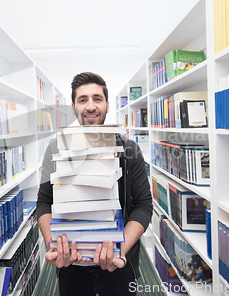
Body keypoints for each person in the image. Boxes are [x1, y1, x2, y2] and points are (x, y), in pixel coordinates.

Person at [36, 72, 153, 296]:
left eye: (97, 99)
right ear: (73, 107)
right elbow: (44, 202)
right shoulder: (55, 149)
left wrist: (120, 249)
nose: (91, 106)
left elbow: (144, 205)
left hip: (120, 267)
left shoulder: (129, 151)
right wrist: (54, 244)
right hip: (71, 267)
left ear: (107, 105)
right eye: (83, 100)